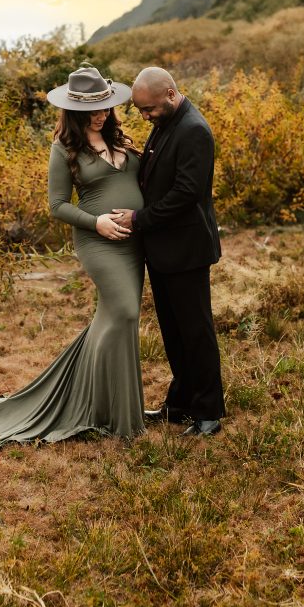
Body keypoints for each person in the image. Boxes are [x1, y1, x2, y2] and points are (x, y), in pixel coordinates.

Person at [0, 64, 145, 450]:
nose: (101, 113)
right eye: (92, 108)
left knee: (112, 320)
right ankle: (110, 411)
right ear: (73, 110)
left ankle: (108, 407)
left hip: (134, 243)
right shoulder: (65, 148)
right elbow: (57, 206)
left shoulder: (121, 139)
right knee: (123, 312)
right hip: (99, 242)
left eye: (105, 105)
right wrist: (97, 222)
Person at [111, 66, 225, 437]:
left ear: (171, 95)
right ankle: (179, 403)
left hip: (187, 248)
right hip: (163, 249)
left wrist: (139, 219)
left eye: (149, 109)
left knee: (196, 332)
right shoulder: (166, 123)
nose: (145, 117)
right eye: (141, 111)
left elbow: (185, 194)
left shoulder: (194, 130)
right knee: (173, 332)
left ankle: (208, 412)